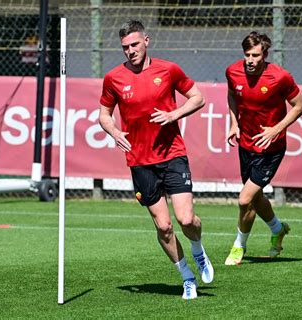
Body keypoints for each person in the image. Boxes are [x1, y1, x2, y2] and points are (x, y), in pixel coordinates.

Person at [99, 20, 214, 300]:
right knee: (163, 227)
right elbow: (104, 114)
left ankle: (198, 250)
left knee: (186, 219)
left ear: (147, 41)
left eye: (135, 44)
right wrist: (114, 130)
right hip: (139, 160)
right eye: (125, 47)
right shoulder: (113, 78)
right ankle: (187, 277)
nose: (130, 51)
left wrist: (173, 115)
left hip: (172, 154)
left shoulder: (169, 69)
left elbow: (198, 98)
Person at [224, 31, 302, 265]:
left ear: (265, 54)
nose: (250, 60)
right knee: (255, 198)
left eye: (255, 55)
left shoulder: (280, 77)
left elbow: (299, 106)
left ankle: (239, 246)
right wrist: (233, 123)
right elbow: (231, 95)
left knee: (244, 199)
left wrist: (275, 130)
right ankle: (278, 229)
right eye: (247, 55)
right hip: (245, 144)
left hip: (271, 148)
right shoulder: (233, 71)